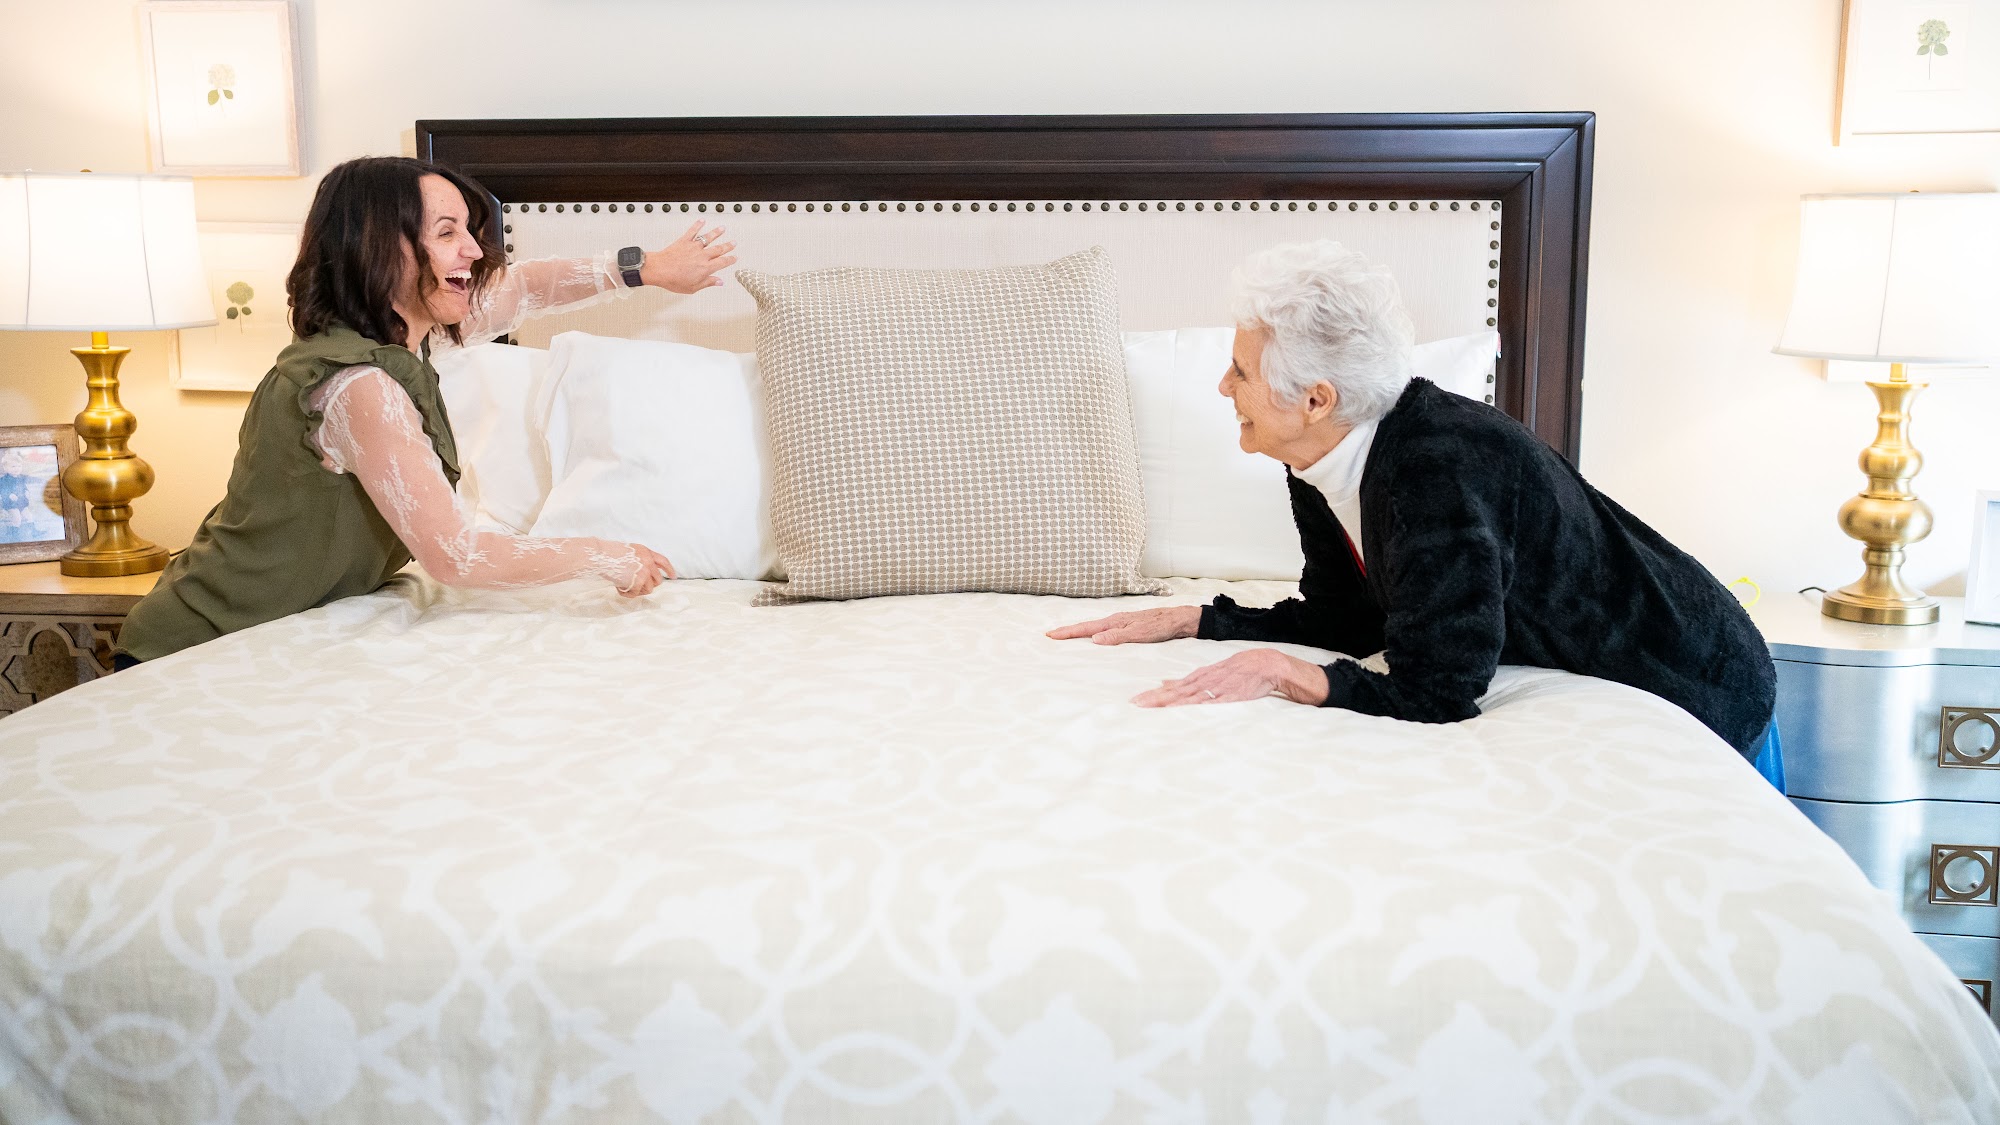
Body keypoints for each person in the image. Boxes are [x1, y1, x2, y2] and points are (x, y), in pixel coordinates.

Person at [1048, 240, 1776, 759]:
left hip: (1702, 681)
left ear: (1315, 399)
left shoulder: (1439, 469)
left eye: (1240, 371)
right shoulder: (1319, 456)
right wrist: (1199, 619)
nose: (1222, 387)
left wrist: (1287, 673)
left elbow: (1439, 688)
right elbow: (1347, 617)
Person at [116, 156, 737, 664]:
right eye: (447, 234)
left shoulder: (409, 340)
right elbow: (455, 555)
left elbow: (525, 287)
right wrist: (606, 556)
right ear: (380, 250)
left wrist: (649, 268)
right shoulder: (360, 386)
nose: (475, 251)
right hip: (199, 641)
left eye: (469, 230)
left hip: (266, 630)